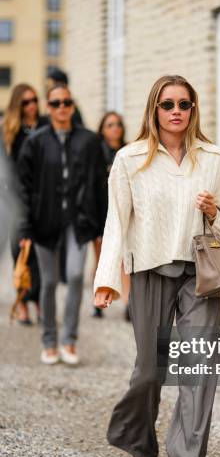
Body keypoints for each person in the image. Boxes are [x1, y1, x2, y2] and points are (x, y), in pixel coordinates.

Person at [94, 74, 220, 457]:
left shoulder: (211, 157)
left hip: (201, 273)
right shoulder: (129, 159)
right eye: (168, 104)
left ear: (194, 110)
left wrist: (212, 210)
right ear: (154, 109)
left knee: (198, 370)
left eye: (184, 104)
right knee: (150, 369)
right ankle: (135, 434)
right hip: (150, 270)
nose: (176, 111)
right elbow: (117, 221)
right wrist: (107, 280)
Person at [17, 83, 108, 366]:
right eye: (55, 103)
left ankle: (69, 339)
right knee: (50, 281)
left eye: (66, 102)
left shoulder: (89, 141)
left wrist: (101, 224)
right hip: (45, 222)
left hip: (78, 223)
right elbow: (24, 188)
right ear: (48, 107)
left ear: (72, 105)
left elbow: (98, 185)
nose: (62, 108)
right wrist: (25, 228)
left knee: (76, 276)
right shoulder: (36, 142)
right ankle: (49, 341)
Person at [0, 84, 48, 324]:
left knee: (41, 254)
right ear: (17, 105)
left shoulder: (45, 126)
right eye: (26, 102)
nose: (32, 106)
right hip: (16, 198)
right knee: (20, 252)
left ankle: (38, 302)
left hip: (43, 197)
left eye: (34, 100)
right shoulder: (8, 131)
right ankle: (21, 303)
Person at [92, 111, 130, 320]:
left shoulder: (127, 151)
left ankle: (127, 303)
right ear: (102, 129)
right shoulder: (96, 153)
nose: (115, 128)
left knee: (124, 259)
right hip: (101, 212)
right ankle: (97, 298)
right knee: (101, 259)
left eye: (118, 124)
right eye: (110, 125)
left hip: (121, 213)